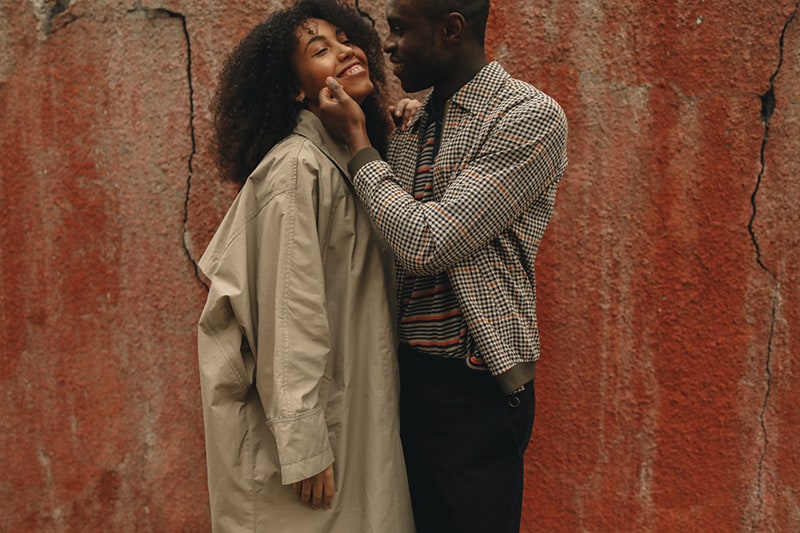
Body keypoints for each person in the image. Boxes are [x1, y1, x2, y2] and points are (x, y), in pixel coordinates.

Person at [318, 0, 569, 531]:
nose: (385, 45)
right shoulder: (414, 121)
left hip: (474, 390)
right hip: (402, 378)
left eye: (400, 30)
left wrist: (360, 144)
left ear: (451, 30)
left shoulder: (529, 118)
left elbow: (427, 241)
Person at [196, 1, 416, 531]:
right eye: (320, 49)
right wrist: (303, 445)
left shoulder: (348, 162)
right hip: (314, 450)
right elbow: (286, 318)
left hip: (355, 419)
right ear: (296, 89)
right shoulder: (297, 170)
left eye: (345, 39)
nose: (345, 51)